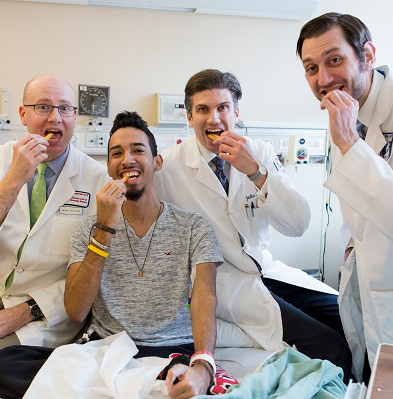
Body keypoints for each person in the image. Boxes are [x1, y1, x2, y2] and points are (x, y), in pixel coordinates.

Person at [0, 111, 226, 399]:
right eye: (117, 153)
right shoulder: (89, 229)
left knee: (180, 386)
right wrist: (105, 229)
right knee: (6, 363)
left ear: (157, 163)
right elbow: (76, 310)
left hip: (170, 351)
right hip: (106, 347)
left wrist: (204, 365)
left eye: (138, 150)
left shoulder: (193, 226)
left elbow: (205, 297)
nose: (127, 159)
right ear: (108, 167)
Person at [154, 68, 352, 379]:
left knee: (352, 320)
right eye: (203, 110)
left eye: (222, 108)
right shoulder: (167, 168)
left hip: (268, 270)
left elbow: (298, 223)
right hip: (226, 285)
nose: (213, 119)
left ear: (236, 112)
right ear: (189, 117)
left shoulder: (259, 153)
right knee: (333, 346)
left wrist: (256, 173)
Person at [297, 12, 393, 381]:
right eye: (311, 68)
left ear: (368, 56)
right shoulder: (347, 117)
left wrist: (349, 145)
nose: (323, 79)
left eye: (334, 60)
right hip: (370, 293)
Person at [0, 74, 110, 349]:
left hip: (45, 315)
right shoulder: (2, 161)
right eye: (43, 107)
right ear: (23, 114)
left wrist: (27, 311)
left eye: (65, 108)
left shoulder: (97, 180)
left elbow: (93, 272)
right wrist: (13, 180)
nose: (55, 118)